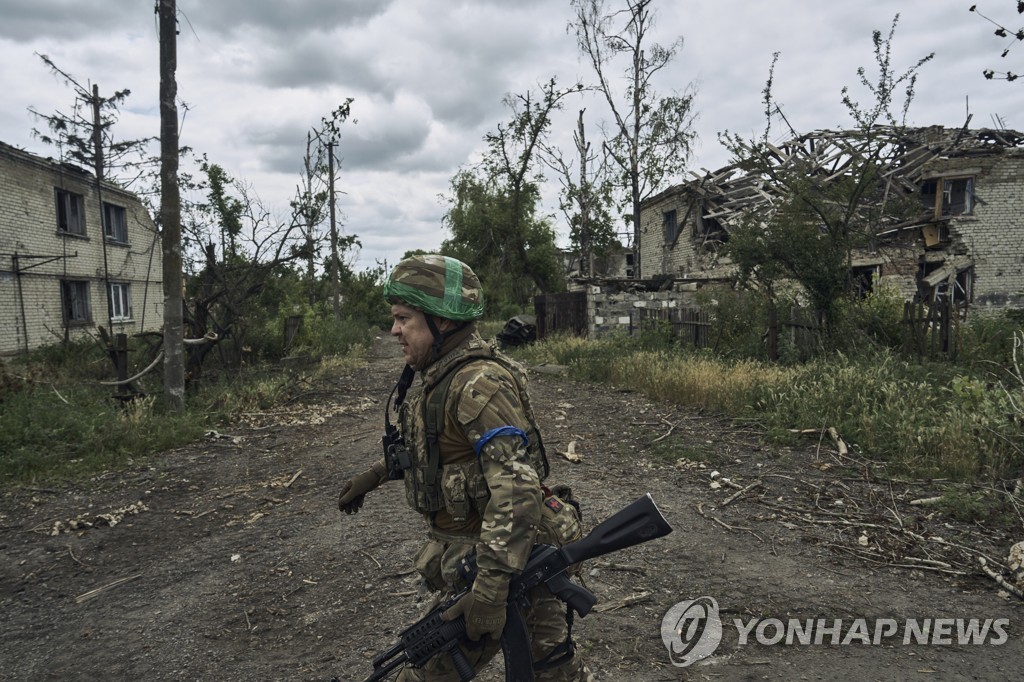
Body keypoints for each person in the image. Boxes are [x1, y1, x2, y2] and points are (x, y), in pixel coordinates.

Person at [338, 254, 592, 681]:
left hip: (509, 563)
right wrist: (377, 474)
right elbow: (439, 454)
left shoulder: (477, 385)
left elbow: (517, 490)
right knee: (551, 669)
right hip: (493, 558)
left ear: (443, 321)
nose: (394, 331)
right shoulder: (441, 376)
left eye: (403, 318)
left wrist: (490, 593)